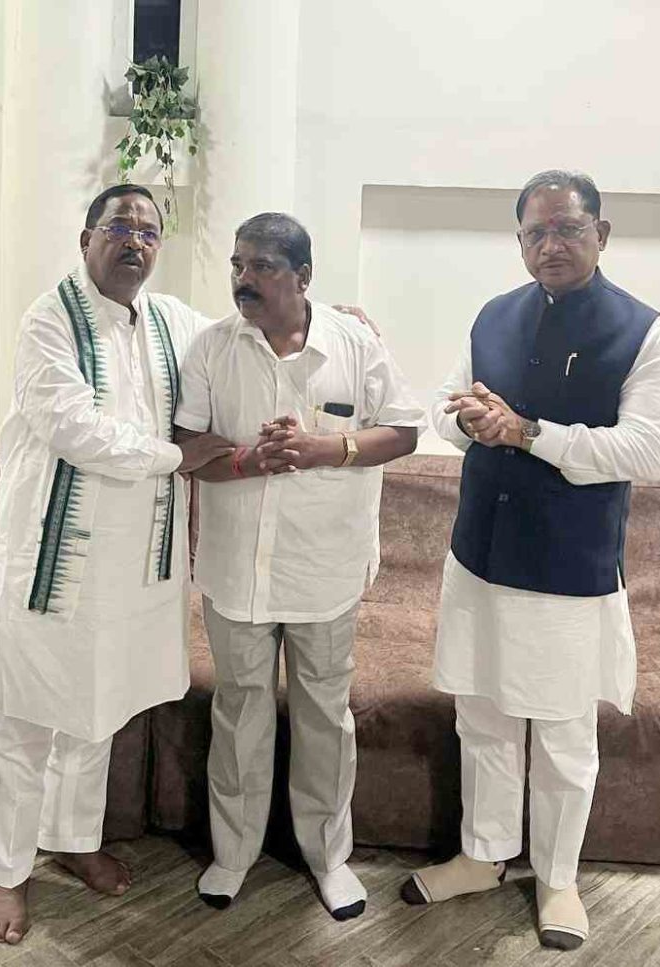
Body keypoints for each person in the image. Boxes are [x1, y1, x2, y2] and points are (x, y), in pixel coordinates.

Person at [401, 170, 660, 951]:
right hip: (480, 553)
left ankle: (557, 876)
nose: (552, 244)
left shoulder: (641, 330)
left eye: (568, 228)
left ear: (601, 234)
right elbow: (444, 407)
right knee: (483, 710)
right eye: (536, 232)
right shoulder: (494, 314)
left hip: (567, 565)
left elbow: (648, 450)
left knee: (560, 732)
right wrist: (470, 420)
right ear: (519, 239)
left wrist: (529, 433)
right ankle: (483, 854)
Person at [0, 185, 231, 945]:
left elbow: (237, 338)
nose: (135, 241)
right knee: (23, 718)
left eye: (149, 231)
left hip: (127, 570)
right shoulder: (48, 320)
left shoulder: (171, 320)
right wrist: (175, 457)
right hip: (50, 561)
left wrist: (327, 319)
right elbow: (71, 427)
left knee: (95, 711)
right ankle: (7, 872)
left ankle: (73, 838)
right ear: (87, 238)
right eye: (120, 226)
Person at [174, 212, 426, 921]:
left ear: (304, 276)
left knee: (323, 715)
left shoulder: (355, 342)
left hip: (325, 569)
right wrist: (249, 459)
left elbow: (405, 429)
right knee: (239, 712)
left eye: (262, 266)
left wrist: (327, 449)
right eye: (238, 264)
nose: (244, 279)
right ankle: (233, 853)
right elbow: (187, 447)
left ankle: (328, 856)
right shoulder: (212, 347)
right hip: (236, 571)